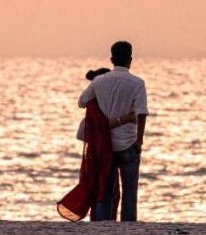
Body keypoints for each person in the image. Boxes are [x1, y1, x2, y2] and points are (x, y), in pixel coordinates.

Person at [77, 41, 149, 222]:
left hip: (105, 146)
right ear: (130, 60)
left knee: (105, 190)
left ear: (111, 59)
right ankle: (128, 227)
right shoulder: (138, 83)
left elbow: (82, 102)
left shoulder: (99, 81)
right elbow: (141, 113)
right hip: (128, 144)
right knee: (130, 191)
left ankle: (103, 226)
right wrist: (139, 141)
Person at [57, 67, 137, 222]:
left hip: (99, 151)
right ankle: (102, 222)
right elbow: (99, 126)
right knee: (104, 190)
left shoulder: (99, 102)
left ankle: (102, 222)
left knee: (106, 189)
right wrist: (125, 119)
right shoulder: (94, 104)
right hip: (100, 152)